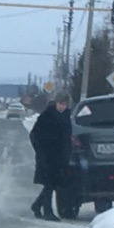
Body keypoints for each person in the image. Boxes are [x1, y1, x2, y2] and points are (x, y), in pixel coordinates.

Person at [29, 91, 72, 221]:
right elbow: (34, 135)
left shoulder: (66, 116)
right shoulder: (47, 115)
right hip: (47, 155)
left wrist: (67, 152)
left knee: (54, 183)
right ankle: (47, 211)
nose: (62, 106)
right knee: (49, 182)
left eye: (65, 104)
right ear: (55, 103)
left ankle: (37, 205)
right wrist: (40, 151)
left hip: (60, 156)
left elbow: (67, 136)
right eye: (60, 103)